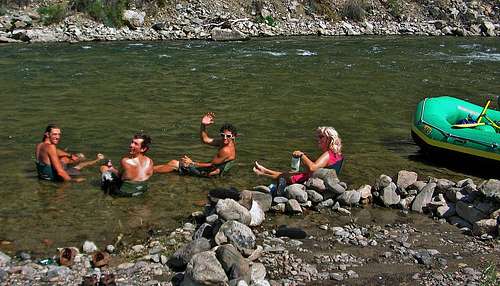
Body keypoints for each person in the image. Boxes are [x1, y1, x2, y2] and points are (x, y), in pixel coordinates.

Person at [253, 126, 344, 188]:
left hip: (316, 181)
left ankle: (262, 173)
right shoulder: (337, 154)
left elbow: (312, 168)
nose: (318, 139)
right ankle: (265, 170)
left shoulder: (327, 154)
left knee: (285, 176)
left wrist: (302, 155)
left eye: (321, 137)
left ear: (329, 139)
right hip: (324, 180)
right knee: (288, 173)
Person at [154, 112, 237, 177]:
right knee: (174, 163)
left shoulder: (226, 150)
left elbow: (211, 165)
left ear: (233, 136)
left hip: (207, 173)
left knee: (174, 164)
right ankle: (150, 170)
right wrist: (203, 125)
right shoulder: (226, 142)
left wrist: (192, 163)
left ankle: (148, 171)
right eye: (223, 135)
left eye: (228, 136)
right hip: (213, 170)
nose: (225, 138)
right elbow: (205, 139)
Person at [35, 124, 104, 182]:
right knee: (80, 166)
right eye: (55, 134)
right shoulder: (51, 147)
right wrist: (73, 181)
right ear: (47, 134)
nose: (58, 137)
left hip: (43, 177)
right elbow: (60, 172)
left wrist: (70, 155)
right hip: (54, 178)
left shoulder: (40, 145)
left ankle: (79, 157)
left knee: (64, 158)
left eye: (59, 134)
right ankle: (98, 159)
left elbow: (55, 151)